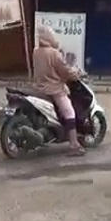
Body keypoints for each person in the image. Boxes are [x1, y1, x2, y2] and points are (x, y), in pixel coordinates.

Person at [33, 25, 85, 156]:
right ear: (50, 38)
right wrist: (77, 74)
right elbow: (65, 71)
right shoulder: (54, 54)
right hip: (55, 90)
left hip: (39, 88)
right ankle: (74, 145)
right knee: (69, 112)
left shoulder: (36, 52)